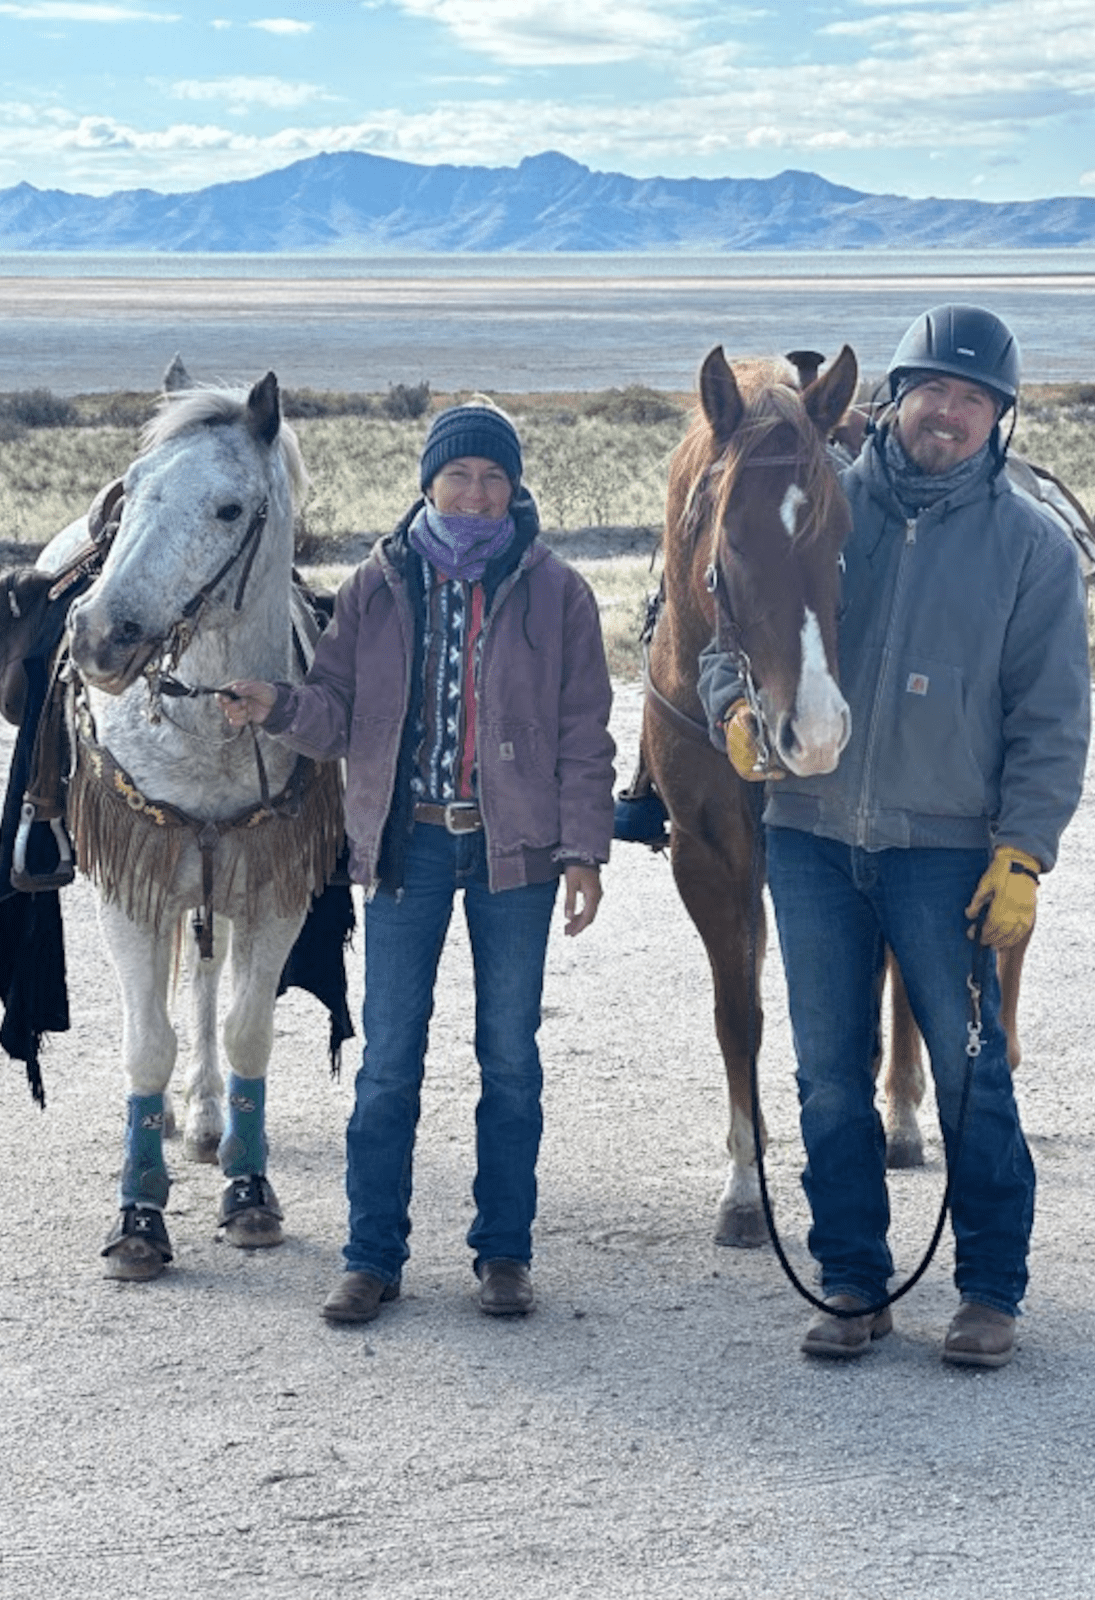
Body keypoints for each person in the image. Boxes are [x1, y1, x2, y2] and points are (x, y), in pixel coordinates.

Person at [698, 305, 1091, 1368]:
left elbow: (1052, 720)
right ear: (894, 400)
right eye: (931, 392)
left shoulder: (1031, 549)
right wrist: (731, 706)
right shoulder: (821, 499)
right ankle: (853, 1280)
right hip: (812, 837)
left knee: (968, 1074)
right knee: (828, 1072)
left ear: (1000, 417)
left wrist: (1024, 851)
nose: (947, 414)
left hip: (946, 848)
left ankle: (990, 1289)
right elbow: (733, 621)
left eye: (972, 399)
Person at [221, 398, 615, 1322]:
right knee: (390, 1061)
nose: (476, 493)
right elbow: (335, 710)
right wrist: (278, 705)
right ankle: (371, 1257)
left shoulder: (558, 591)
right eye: (458, 475)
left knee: (509, 1059)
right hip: (409, 849)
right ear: (429, 484)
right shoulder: (378, 584)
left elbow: (584, 733)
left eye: (493, 477)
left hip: (516, 857)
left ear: (513, 487)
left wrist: (584, 851)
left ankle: (503, 1254)